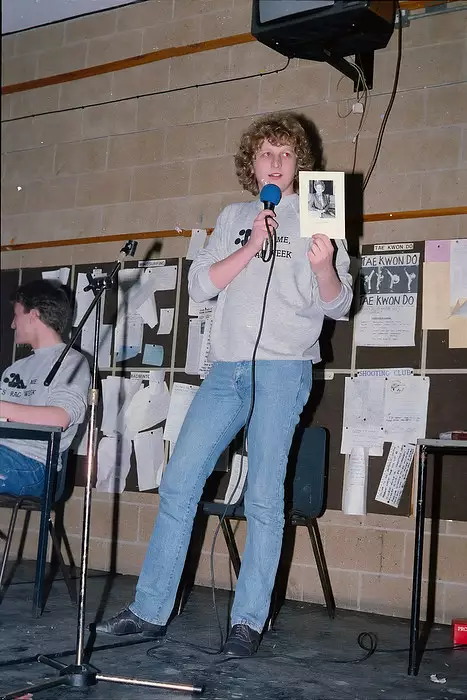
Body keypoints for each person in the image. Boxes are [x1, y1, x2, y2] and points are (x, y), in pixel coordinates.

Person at [96, 112, 353, 656]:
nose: (276, 163)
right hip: (226, 371)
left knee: (263, 497)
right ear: (252, 163)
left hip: (284, 370)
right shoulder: (235, 214)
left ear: (298, 163)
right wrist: (249, 242)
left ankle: (248, 620)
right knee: (179, 481)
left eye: (286, 155)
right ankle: (149, 610)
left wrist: (326, 263)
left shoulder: (318, 213)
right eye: (267, 154)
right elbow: (200, 286)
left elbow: (339, 303)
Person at [0, 279, 90, 497]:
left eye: (16, 315)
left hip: (35, 464)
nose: (13, 324)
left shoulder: (72, 362)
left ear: (34, 315)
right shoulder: (15, 369)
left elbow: (61, 418)